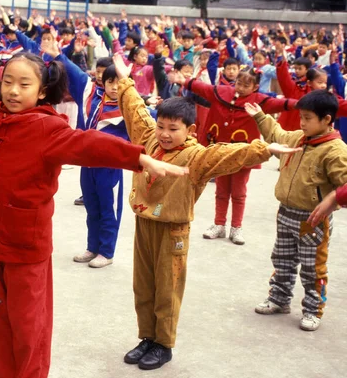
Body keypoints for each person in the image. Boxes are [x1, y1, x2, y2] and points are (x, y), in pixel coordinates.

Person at [0, 0, 190, 378]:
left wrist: (139, 158)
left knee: (28, 328)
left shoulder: (47, 127)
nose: (13, 91)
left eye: (24, 84)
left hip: (24, 248)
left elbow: (90, 144)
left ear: (41, 91)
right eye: (7, 82)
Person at [113, 53, 301, 370]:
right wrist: (125, 79)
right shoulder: (149, 140)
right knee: (143, 286)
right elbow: (135, 111)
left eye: (173, 128)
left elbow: (226, 153)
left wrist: (265, 148)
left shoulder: (196, 156)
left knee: (167, 290)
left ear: (189, 130)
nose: (164, 133)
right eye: (161, 126)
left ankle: (163, 344)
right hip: (144, 224)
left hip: (173, 231)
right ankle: (147, 337)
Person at [245, 90, 347, 331]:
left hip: (312, 220)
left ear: (327, 120)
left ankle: (313, 310)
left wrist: (334, 199)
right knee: (282, 260)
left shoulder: (336, 150)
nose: (302, 123)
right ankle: (279, 299)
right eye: (301, 117)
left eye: (308, 118)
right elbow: (277, 134)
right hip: (285, 213)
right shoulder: (298, 138)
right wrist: (260, 116)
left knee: (313, 268)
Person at [170, 68, 297, 245]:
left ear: (255, 87)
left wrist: (300, 103)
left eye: (246, 85)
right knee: (221, 191)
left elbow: (279, 104)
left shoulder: (259, 101)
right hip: (221, 154)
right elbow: (203, 88)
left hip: (243, 155)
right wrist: (185, 81)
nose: (241, 88)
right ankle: (219, 224)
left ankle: (236, 227)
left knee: (238, 193)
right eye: (239, 83)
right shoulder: (221, 92)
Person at [43, 41, 128, 268]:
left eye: (120, 83)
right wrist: (59, 54)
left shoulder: (130, 108)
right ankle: (93, 247)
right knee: (91, 207)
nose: (114, 87)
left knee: (108, 210)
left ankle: (107, 252)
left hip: (110, 167)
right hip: (87, 164)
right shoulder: (92, 95)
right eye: (110, 81)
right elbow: (76, 73)